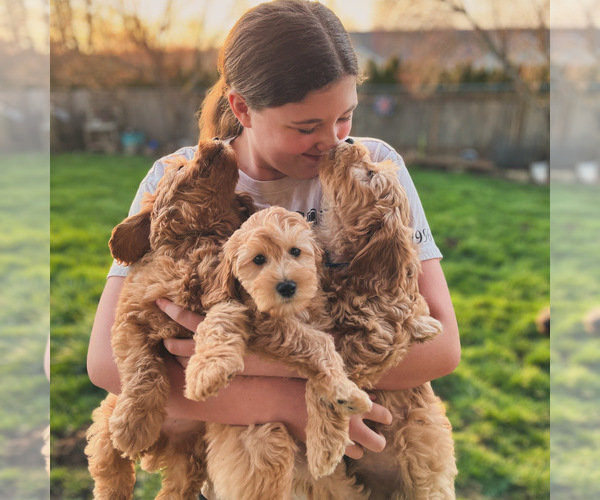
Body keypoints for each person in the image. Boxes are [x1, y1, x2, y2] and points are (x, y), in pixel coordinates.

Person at [87, 0, 460, 490]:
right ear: (242, 107)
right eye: (305, 127)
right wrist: (290, 405)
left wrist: (271, 367)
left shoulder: (372, 169)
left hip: (372, 469)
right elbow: (105, 363)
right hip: (243, 472)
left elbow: (442, 349)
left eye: (344, 117)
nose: (332, 142)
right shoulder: (180, 180)